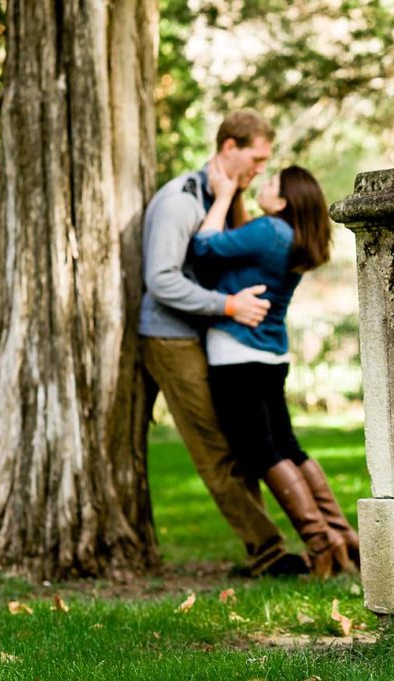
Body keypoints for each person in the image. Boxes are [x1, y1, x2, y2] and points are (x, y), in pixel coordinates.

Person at [139, 110, 308, 577]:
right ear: (229, 148)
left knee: (239, 444)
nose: (259, 169)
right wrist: (229, 307)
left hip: (207, 338)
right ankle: (270, 553)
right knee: (217, 449)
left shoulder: (226, 199)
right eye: (256, 159)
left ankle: (276, 546)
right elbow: (161, 281)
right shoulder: (180, 201)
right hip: (170, 338)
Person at [190, 163, 360, 578]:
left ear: (283, 201)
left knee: (261, 452)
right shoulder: (297, 236)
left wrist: (227, 194)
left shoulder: (270, 231)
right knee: (286, 446)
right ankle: (343, 541)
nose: (263, 186)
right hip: (269, 357)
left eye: (271, 184)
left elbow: (205, 247)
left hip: (237, 353)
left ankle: (321, 545)